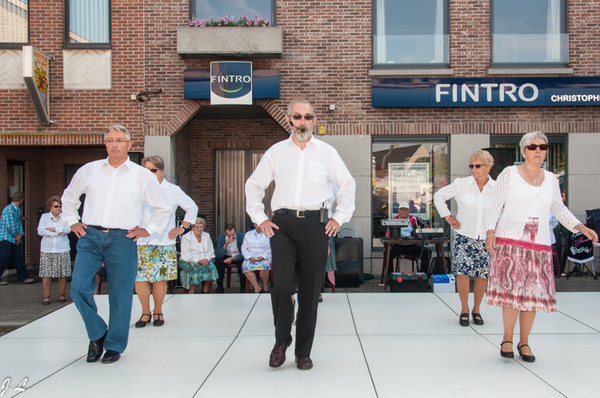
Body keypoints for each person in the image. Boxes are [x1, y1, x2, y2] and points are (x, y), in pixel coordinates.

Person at [245, 98, 356, 370]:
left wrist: (339, 218)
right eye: (297, 117)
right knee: (281, 285)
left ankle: (303, 352)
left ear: (314, 120)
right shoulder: (276, 152)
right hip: (282, 225)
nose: (302, 122)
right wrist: (260, 219)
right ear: (289, 120)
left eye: (307, 117)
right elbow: (254, 185)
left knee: (309, 291)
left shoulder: (327, 152)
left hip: (316, 225)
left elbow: (348, 185)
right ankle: (281, 341)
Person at [61, 125, 171, 364]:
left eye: (119, 140)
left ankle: (114, 344)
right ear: (105, 144)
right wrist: (72, 222)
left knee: (120, 294)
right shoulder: (89, 170)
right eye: (110, 140)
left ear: (129, 145)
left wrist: (148, 229)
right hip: (90, 236)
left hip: (123, 238)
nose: (114, 144)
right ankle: (97, 333)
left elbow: (163, 207)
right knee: (79, 287)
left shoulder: (142, 175)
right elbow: (69, 198)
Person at [485, 131, 598, 363]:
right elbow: (494, 205)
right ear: (524, 150)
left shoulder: (551, 179)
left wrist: (580, 227)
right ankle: (507, 338)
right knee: (511, 292)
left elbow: (559, 209)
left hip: (539, 244)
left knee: (532, 295)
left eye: (543, 147)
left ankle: (524, 342)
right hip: (510, 241)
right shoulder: (510, 174)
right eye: (533, 146)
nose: (538, 150)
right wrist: (489, 232)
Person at [433, 150, 496, 327]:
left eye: (478, 165)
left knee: (482, 275)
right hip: (464, 235)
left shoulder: (497, 188)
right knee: (462, 273)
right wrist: (448, 217)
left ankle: (477, 309)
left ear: (488, 167)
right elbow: (439, 196)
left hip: (486, 237)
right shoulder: (462, 184)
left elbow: (504, 209)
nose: (474, 169)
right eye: (471, 166)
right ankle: (465, 309)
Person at [135, 155, 198, 328]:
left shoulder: (172, 190)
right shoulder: (136, 189)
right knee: (140, 278)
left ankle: (158, 311)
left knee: (159, 278)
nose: (149, 174)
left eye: (153, 170)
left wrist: (182, 228)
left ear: (161, 171)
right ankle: (145, 312)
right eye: (146, 170)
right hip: (139, 240)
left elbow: (192, 207)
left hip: (163, 240)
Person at [37, 196, 72, 304]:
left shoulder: (64, 217)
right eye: (56, 206)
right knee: (46, 274)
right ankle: (46, 296)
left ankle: (62, 295)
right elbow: (40, 231)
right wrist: (58, 232)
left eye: (60, 206)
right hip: (47, 249)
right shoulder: (44, 217)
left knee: (62, 273)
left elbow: (68, 229)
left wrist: (53, 229)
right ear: (50, 207)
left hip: (62, 248)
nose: (59, 209)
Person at [385, 202, 430, 274]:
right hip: (398, 246)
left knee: (427, 252)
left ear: (409, 211)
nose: (403, 211)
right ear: (398, 210)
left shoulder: (414, 219)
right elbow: (387, 235)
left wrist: (422, 235)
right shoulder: (393, 220)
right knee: (388, 253)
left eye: (405, 209)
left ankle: (422, 276)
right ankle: (390, 277)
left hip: (412, 246)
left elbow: (426, 227)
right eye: (402, 209)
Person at [0, 192, 34, 285]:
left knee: (18, 257)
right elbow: (10, 225)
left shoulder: (17, 210)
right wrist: (16, 236)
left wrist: (20, 234)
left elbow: (18, 223)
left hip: (13, 237)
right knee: (3, 258)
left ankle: (23, 278)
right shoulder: (9, 210)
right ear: (22, 200)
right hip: (6, 237)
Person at [179, 217, 217, 293]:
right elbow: (185, 254)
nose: (199, 229)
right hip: (188, 261)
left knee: (212, 267)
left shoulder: (206, 236)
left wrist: (206, 259)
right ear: (192, 228)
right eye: (197, 227)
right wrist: (198, 261)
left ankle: (204, 289)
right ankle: (192, 289)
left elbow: (211, 251)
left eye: (201, 227)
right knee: (197, 268)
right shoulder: (186, 237)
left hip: (204, 260)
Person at [241, 223, 272, 293]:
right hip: (252, 256)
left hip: (265, 256)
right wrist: (249, 257)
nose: (259, 226)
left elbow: (271, 247)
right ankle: (257, 287)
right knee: (245, 266)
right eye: (257, 224)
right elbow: (244, 248)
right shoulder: (248, 234)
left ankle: (265, 287)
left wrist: (263, 256)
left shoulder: (269, 233)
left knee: (264, 265)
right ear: (254, 225)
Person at [215, 224, 245, 293]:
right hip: (226, 255)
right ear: (225, 234)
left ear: (236, 232)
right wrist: (225, 245)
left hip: (238, 256)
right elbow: (219, 255)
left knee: (243, 263)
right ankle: (220, 286)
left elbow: (244, 253)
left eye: (233, 235)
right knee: (218, 262)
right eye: (229, 235)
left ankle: (243, 286)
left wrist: (233, 258)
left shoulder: (241, 236)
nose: (231, 237)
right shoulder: (221, 237)